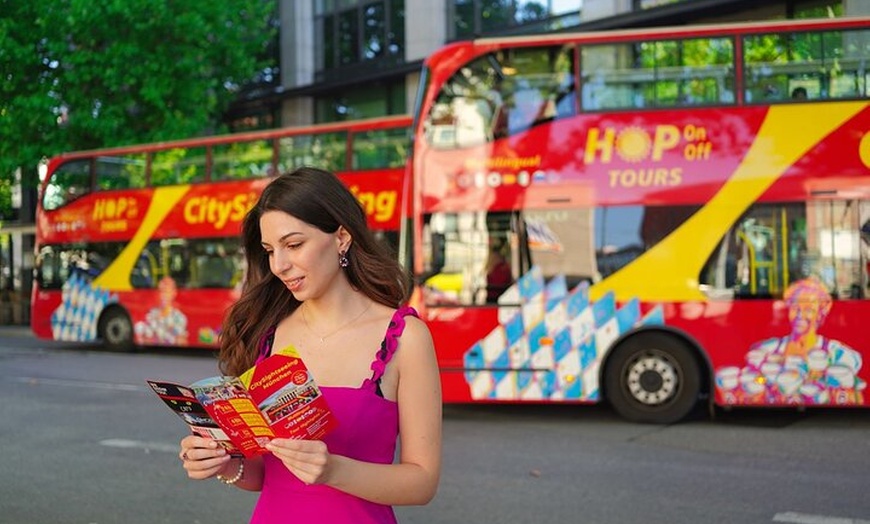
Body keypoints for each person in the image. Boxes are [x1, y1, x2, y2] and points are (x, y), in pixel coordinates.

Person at [177, 167, 442, 523]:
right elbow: (263, 473)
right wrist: (225, 462)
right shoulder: (267, 333)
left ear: (342, 237)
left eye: (294, 244)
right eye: (270, 250)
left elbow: (422, 482)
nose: (280, 265)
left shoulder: (404, 337)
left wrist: (333, 471)